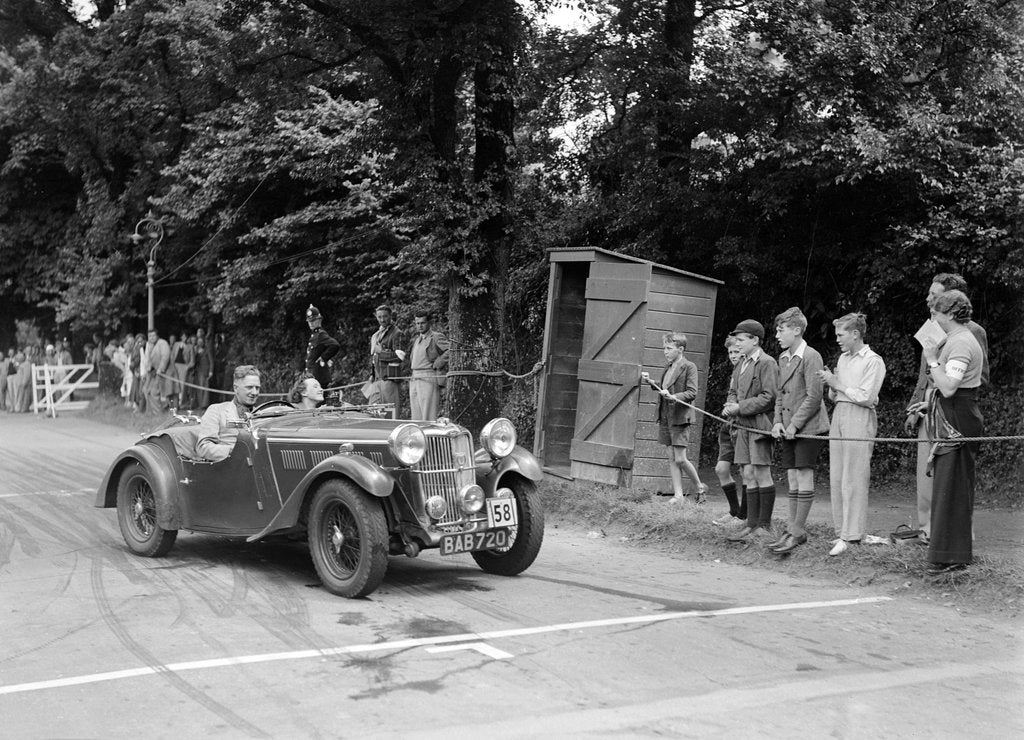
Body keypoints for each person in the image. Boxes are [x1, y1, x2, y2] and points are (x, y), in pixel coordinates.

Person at [904, 273, 989, 543]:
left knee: (952, 473)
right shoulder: (931, 326)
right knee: (926, 473)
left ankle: (955, 534)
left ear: (952, 300)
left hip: (952, 406)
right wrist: (914, 406)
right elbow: (924, 371)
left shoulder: (972, 332)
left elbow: (981, 376)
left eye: (935, 295)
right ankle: (928, 530)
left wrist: (945, 382)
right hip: (927, 407)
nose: (928, 299)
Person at [920, 290, 984, 576]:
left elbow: (948, 388)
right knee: (947, 487)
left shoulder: (961, 343)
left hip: (959, 418)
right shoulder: (956, 340)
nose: (933, 318)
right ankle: (944, 554)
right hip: (950, 413)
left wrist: (932, 360)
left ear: (949, 314)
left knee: (954, 488)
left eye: (936, 313)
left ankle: (954, 557)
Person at [818, 313, 886, 556]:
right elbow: (838, 394)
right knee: (837, 475)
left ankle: (853, 535)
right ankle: (842, 532)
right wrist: (831, 386)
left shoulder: (873, 360)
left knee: (854, 477)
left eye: (841, 334)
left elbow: (867, 397)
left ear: (855, 334)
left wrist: (837, 384)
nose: (837, 339)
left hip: (859, 416)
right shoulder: (844, 359)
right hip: (840, 414)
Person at [768, 307, 830, 554]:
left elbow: (814, 397)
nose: (777, 335)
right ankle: (792, 528)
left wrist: (794, 424)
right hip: (788, 428)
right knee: (792, 476)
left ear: (796, 330)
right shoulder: (784, 358)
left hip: (808, 428)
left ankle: (798, 531)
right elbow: (780, 395)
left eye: (781, 330)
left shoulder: (811, 356)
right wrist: (777, 422)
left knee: (803, 474)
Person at [723, 319, 779, 543]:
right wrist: (731, 404)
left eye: (741, 340)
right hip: (742, 426)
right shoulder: (741, 363)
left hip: (760, 426)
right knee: (747, 473)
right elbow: (733, 390)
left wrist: (740, 407)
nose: (737, 345)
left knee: (761, 472)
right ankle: (751, 523)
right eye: (735, 340)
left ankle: (764, 525)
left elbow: (769, 397)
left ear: (755, 340)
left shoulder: (767, 363)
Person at [654, 332, 707, 503]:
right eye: (664, 348)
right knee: (671, 457)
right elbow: (665, 388)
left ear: (681, 349)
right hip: (666, 417)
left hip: (680, 417)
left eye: (669, 348)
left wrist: (674, 397)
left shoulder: (689, 366)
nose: (665, 351)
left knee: (680, 458)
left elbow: (692, 392)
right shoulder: (667, 368)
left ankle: (699, 487)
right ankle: (678, 495)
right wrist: (651, 382)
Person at [712, 337, 747, 526]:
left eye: (736, 352)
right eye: (731, 352)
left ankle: (743, 515)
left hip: (743, 425)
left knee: (745, 471)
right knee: (721, 468)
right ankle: (734, 510)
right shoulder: (735, 371)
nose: (733, 356)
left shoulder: (752, 368)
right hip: (729, 424)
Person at [195, 365, 262, 462]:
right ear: (235, 388)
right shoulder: (216, 411)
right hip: (227, 469)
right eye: (249, 387)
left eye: (257, 388)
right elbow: (203, 447)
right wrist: (236, 451)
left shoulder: (261, 416)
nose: (254, 392)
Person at [407, 312, 450, 420]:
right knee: (416, 415)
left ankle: (429, 435)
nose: (420, 326)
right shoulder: (417, 339)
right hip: (415, 377)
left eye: (423, 323)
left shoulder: (436, 336)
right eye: (417, 323)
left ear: (429, 323)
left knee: (428, 413)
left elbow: (450, 350)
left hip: (428, 375)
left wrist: (439, 361)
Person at [368, 304, 405, 409]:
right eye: (379, 317)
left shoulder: (397, 333)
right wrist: (372, 373)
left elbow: (399, 357)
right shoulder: (376, 335)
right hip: (376, 379)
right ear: (376, 317)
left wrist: (381, 352)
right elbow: (374, 358)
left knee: (390, 412)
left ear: (390, 316)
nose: (382, 320)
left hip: (389, 379)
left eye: (385, 316)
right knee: (372, 410)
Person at [305, 304, 340, 392]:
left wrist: (323, 358)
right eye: (309, 321)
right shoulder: (314, 335)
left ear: (319, 320)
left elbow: (335, 345)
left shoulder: (321, 334)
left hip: (319, 377)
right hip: (313, 376)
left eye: (313, 321)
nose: (311, 323)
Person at [143, 328, 172, 412]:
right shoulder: (150, 345)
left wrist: (160, 369)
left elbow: (165, 357)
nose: (151, 337)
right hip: (153, 372)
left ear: (157, 335)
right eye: (149, 336)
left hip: (163, 372)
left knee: (155, 392)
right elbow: (149, 360)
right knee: (147, 390)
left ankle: (157, 412)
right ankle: (152, 411)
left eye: (153, 335)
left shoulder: (162, 343)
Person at [170, 333, 194, 407]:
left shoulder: (190, 346)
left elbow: (192, 361)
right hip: (175, 365)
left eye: (186, 337)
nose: (184, 338)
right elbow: (172, 355)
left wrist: (187, 367)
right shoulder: (176, 344)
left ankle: (181, 403)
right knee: (174, 384)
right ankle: (174, 403)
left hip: (183, 366)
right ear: (181, 337)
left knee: (182, 385)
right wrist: (172, 364)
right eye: (183, 336)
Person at [194, 335, 214, 409]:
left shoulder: (207, 350)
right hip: (197, 371)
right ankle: (199, 404)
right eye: (198, 342)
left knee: (204, 388)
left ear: (203, 342)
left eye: (201, 342)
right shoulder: (196, 350)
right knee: (198, 388)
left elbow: (211, 361)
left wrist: (211, 372)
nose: (200, 343)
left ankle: (204, 405)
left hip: (205, 371)